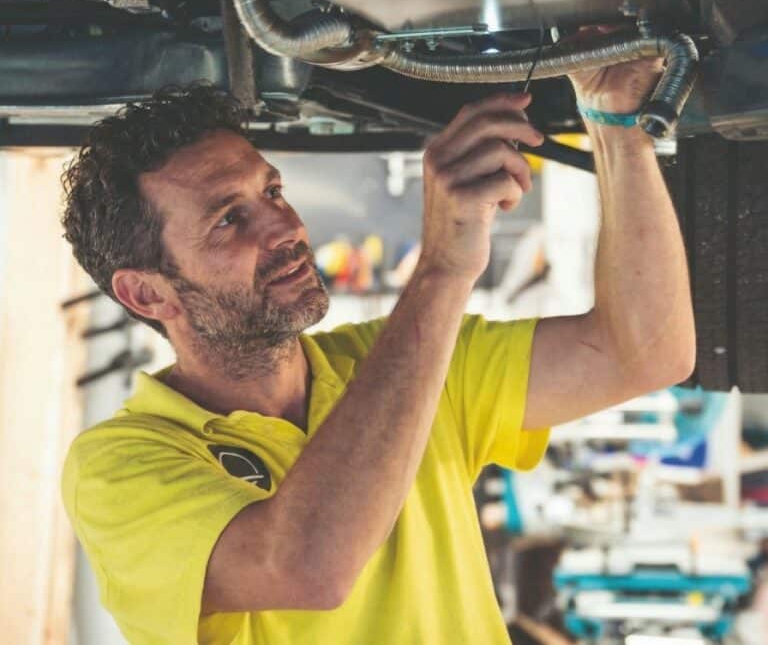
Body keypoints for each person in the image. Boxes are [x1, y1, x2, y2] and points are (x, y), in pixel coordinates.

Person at [61, 49, 695, 645]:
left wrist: (617, 123)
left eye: (273, 192)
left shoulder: (397, 361)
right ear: (146, 295)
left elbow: (645, 352)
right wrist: (442, 267)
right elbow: (311, 568)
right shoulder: (120, 464)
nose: (286, 228)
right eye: (230, 219)